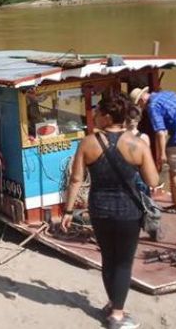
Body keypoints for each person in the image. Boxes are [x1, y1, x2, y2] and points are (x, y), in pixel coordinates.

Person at [60, 92, 158, 329]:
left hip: (99, 210)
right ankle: (117, 314)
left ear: (105, 116)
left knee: (108, 259)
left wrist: (68, 212)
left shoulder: (88, 143)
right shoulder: (138, 144)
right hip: (129, 212)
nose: (93, 117)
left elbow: (75, 180)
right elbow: (153, 180)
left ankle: (113, 303)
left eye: (96, 113)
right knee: (124, 263)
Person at [131, 86, 176, 215]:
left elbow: (160, 133)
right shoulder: (167, 94)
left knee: (175, 172)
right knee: (173, 162)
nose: (140, 108)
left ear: (142, 100)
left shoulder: (152, 106)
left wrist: (161, 155)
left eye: (138, 105)